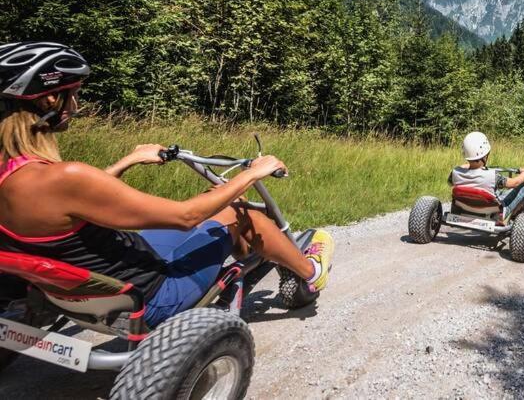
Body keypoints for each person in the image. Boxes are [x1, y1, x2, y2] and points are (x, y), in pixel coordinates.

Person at [0, 41, 334, 329]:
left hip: (73, 290)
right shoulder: (65, 177)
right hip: (149, 297)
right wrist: (253, 172)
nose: (75, 106)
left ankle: (256, 252)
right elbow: (185, 217)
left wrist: (127, 161)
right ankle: (309, 270)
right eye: (71, 95)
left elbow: (72, 200)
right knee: (236, 208)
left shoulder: (17, 174)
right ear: (48, 101)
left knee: (214, 197)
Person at [448, 131, 524, 222]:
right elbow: (515, 183)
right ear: (485, 155)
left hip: (464, 207)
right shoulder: (492, 176)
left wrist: (465, 167)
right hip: (491, 210)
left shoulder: (455, 173)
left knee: (499, 192)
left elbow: (450, 182)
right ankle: (508, 216)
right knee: (523, 188)